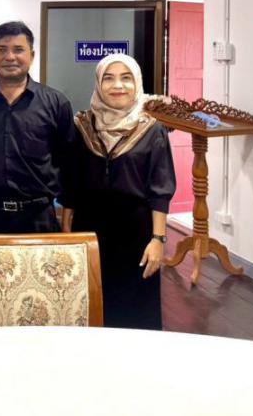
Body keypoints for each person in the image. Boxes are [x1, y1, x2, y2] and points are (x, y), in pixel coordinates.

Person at [60, 53, 176, 330]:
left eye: (126, 78)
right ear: (98, 84)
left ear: (137, 83)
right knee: (89, 305)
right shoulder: (82, 126)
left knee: (135, 311)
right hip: (89, 229)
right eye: (109, 78)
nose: (118, 86)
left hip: (135, 233)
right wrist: (66, 230)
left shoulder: (152, 129)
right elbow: (71, 184)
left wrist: (158, 239)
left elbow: (160, 189)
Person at [0, 21, 73, 234]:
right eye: (1, 50)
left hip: (39, 219)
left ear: (31, 55)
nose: (10, 57)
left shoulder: (56, 103)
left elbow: (69, 163)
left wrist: (67, 222)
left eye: (18, 49)